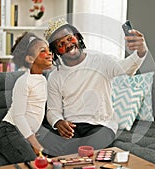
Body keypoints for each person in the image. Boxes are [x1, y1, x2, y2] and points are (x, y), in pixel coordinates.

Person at [40, 18, 148, 156]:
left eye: (69, 39)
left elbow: (126, 69)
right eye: (61, 44)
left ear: (77, 37)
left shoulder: (100, 60)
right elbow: (53, 110)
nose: (67, 44)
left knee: (85, 151)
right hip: (72, 126)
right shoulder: (55, 76)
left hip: (101, 125)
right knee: (48, 148)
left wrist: (140, 51)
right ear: (57, 52)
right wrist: (58, 122)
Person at [0, 32, 53, 164]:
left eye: (49, 50)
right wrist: (35, 144)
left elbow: (35, 110)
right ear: (30, 59)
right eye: (43, 51)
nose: (50, 53)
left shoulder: (43, 80)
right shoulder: (24, 81)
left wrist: (31, 134)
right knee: (33, 162)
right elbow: (19, 116)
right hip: (8, 132)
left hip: (24, 133)